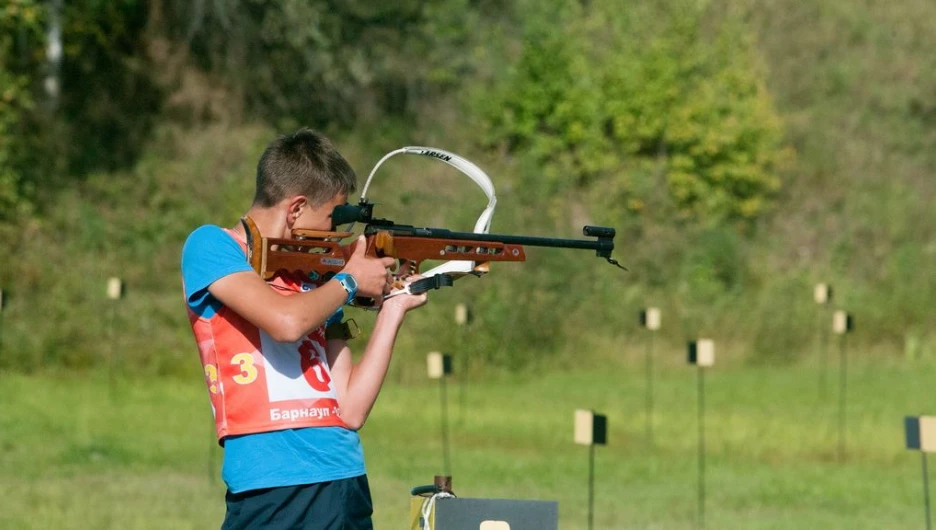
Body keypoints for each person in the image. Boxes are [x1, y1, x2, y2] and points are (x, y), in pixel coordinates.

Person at [180, 128, 427, 529]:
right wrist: (348, 281)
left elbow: (351, 409)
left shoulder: (316, 278)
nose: (336, 233)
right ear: (295, 209)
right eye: (333, 217)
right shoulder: (212, 246)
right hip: (272, 487)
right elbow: (286, 323)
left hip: (344, 481)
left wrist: (393, 308)